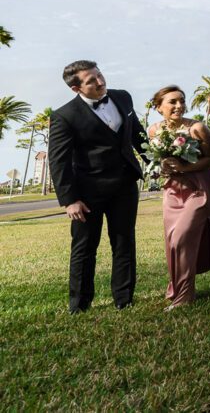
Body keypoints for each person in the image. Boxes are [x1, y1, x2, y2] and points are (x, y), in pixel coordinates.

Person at [49, 61, 146, 313]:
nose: (100, 82)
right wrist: (70, 199)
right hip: (87, 193)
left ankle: (124, 300)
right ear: (75, 88)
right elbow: (58, 161)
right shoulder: (64, 116)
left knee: (124, 242)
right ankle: (79, 304)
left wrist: (157, 159)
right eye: (91, 81)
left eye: (100, 75)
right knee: (84, 248)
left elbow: (138, 134)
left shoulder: (123, 98)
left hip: (124, 185)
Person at [148, 86, 210, 309]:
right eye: (172, 102)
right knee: (174, 239)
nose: (178, 106)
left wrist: (184, 167)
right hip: (173, 191)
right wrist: (163, 165)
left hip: (201, 188)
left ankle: (184, 295)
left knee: (181, 237)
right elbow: (157, 161)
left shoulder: (197, 128)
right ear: (159, 107)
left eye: (181, 101)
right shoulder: (154, 131)